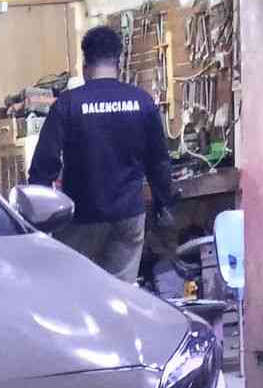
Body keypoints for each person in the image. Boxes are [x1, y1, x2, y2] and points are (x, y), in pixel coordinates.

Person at [28, 23, 175, 281]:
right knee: (121, 293)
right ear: (118, 63)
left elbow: (44, 164)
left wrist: (37, 216)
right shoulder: (142, 102)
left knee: (76, 290)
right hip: (128, 216)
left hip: (81, 218)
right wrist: (163, 202)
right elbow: (159, 162)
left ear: (85, 65)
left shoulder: (68, 104)